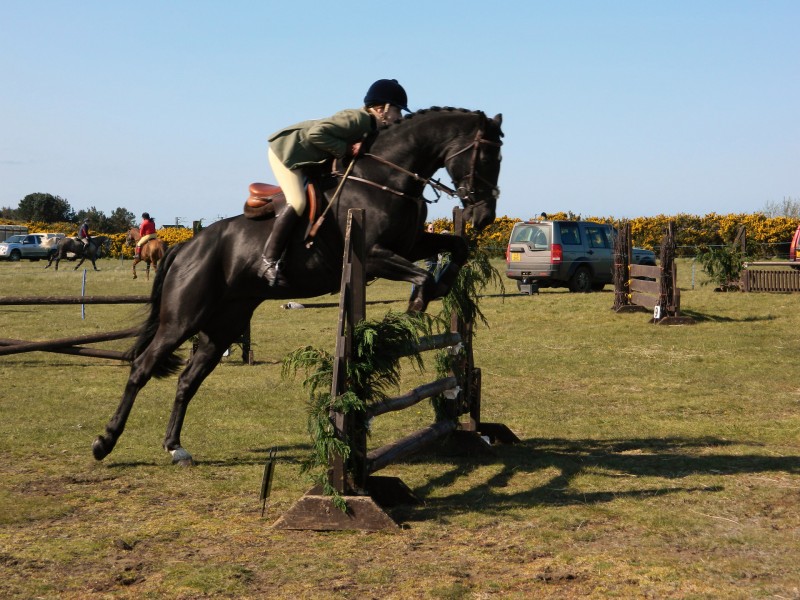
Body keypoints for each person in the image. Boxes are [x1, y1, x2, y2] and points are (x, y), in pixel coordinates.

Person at [258, 78, 410, 285]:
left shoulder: (371, 127)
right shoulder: (357, 118)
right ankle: (268, 261)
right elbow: (315, 134)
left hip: (308, 158)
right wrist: (346, 149)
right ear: (383, 109)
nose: (399, 117)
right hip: (286, 152)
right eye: (398, 111)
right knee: (298, 202)